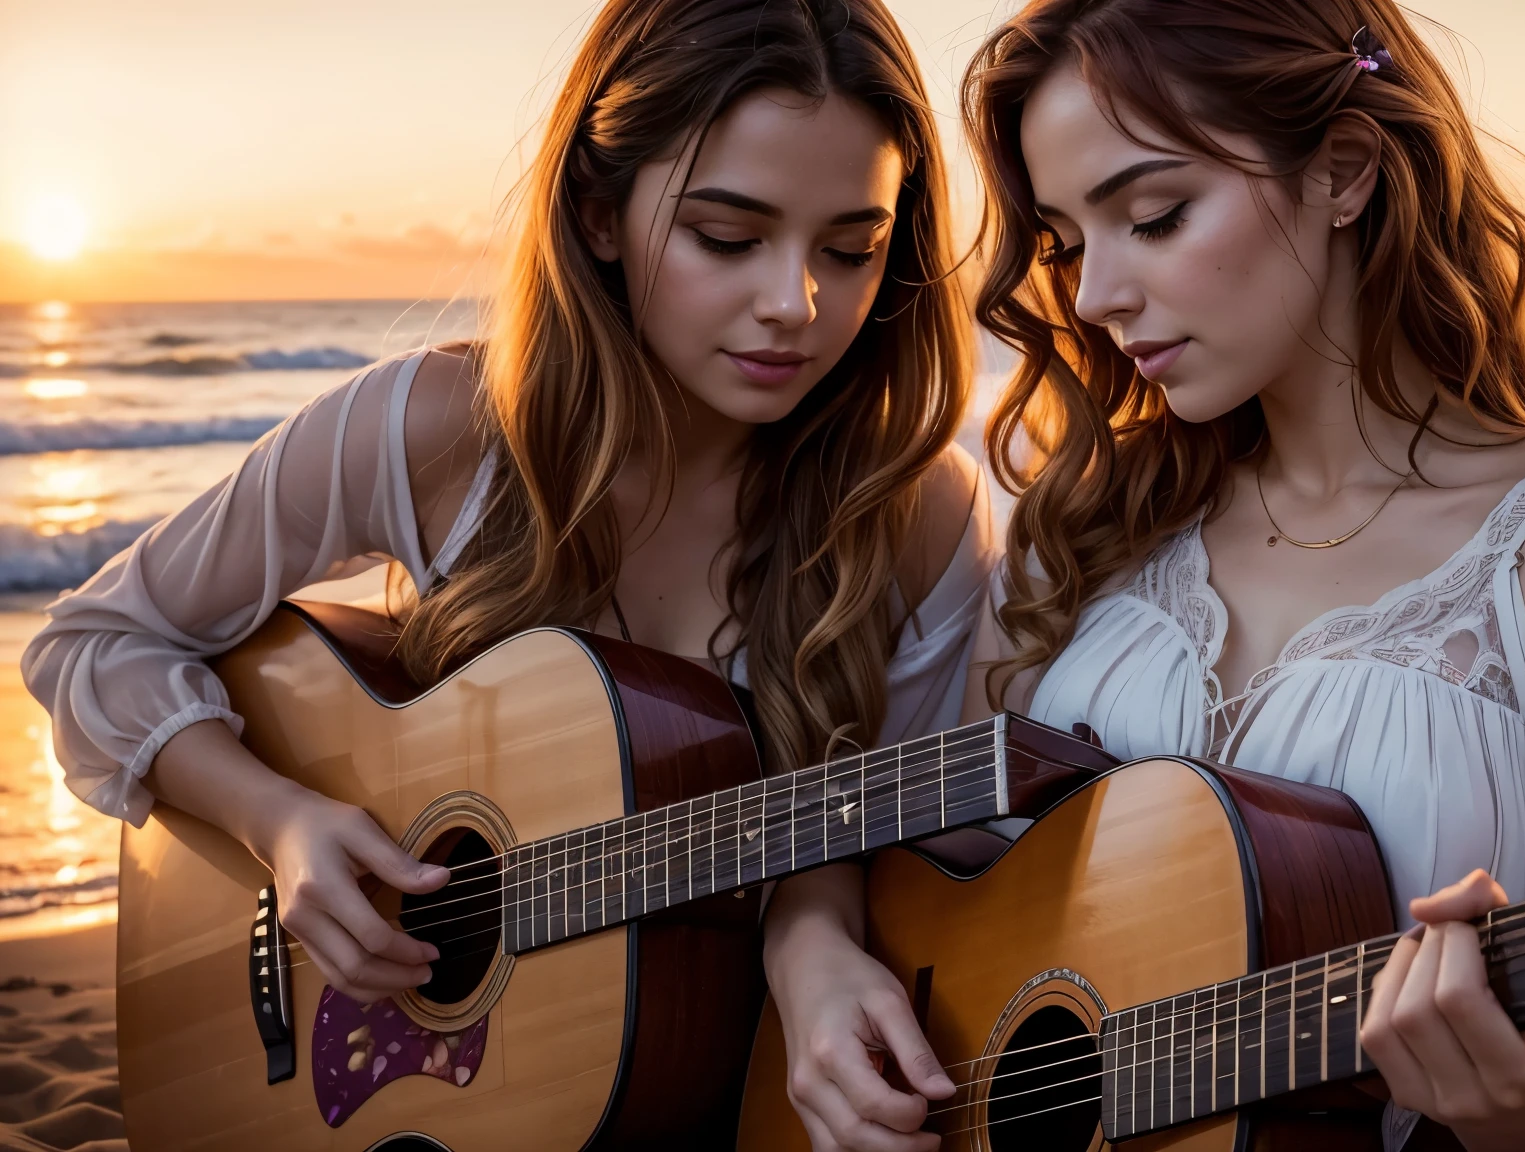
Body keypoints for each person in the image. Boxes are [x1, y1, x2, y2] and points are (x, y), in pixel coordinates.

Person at [768, 1, 1525, 1150]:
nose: (1092, 298)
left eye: (1153, 215)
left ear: (1342, 171)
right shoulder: (1078, 534)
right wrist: (811, 952)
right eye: (1071, 242)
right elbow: (908, 852)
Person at [22, 0, 993, 1018]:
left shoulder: (914, 512)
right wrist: (280, 823)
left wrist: (814, 942)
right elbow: (93, 646)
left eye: (849, 250)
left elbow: (875, 844)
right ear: (594, 213)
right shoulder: (435, 431)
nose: (794, 302)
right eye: (726, 236)